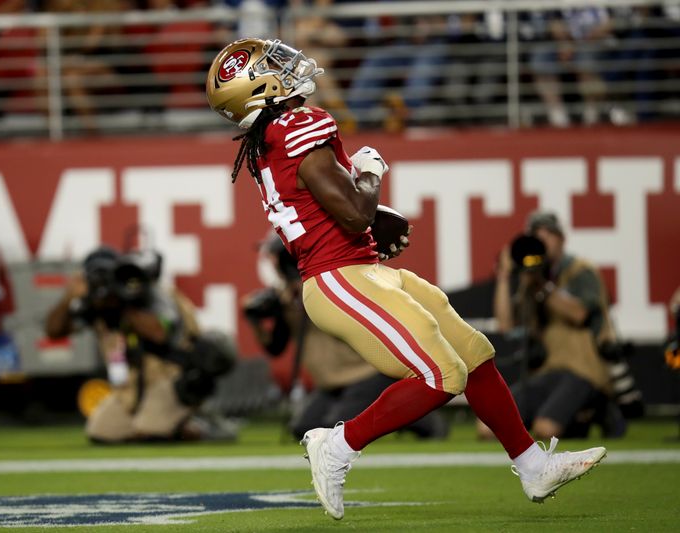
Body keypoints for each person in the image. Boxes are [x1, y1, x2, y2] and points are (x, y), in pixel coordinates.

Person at [206, 38, 606, 520]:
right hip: (339, 278)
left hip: (361, 268)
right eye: (273, 66)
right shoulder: (296, 126)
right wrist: (371, 174)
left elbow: (332, 207)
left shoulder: (273, 138)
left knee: (473, 352)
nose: (288, 67)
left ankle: (532, 463)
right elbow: (354, 213)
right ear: (258, 89)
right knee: (443, 374)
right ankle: (339, 444)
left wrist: (377, 213)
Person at [243, 232, 447, 440]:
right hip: (332, 383)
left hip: (365, 373)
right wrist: (257, 322)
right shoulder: (287, 300)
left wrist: (299, 294)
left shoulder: (330, 283)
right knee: (305, 429)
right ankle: (395, 410)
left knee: (335, 429)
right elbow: (276, 347)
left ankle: (418, 416)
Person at [45, 246, 236, 443]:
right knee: (101, 432)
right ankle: (162, 424)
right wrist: (69, 297)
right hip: (130, 388)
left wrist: (121, 304)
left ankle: (202, 422)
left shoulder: (146, 293)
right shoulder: (95, 306)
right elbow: (54, 331)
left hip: (171, 379)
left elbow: (160, 334)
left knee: (151, 431)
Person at [490, 211, 628, 441]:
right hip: (547, 371)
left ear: (562, 239)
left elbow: (579, 313)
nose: (543, 241)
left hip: (583, 370)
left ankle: (598, 407)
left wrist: (541, 286)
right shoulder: (531, 280)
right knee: (491, 427)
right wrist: (504, 276)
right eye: (537, 237)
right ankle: (578, 416)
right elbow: (506, 324)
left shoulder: (580, 271)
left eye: (549, 235)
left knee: (546, 429)